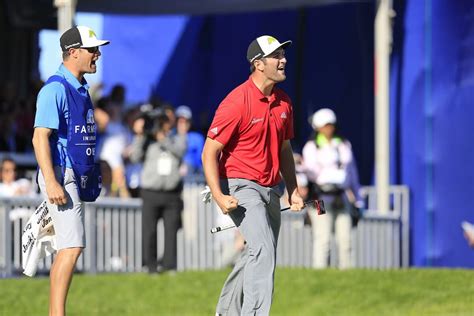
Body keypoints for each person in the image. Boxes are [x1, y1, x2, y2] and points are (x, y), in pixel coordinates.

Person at [202, 35, 304, 316]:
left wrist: (292, 189)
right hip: (241, 186)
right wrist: (219, 195)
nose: (283, 60)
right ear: (258, 64)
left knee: (257, 252)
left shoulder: (284, 102)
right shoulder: (236, 102)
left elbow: (285, 149)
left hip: (271, 189)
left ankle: (226, 312)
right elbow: (209, 152)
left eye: (283, 55)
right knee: (263, 251)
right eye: (276, 56)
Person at [32, 25, 109, 316]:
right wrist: (51, 182)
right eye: (92, 50)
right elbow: (40, 137)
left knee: (70, 245)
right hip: (61, 173)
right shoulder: (55, 88)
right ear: (73, 52)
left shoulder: (80, 89)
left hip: (74, 173)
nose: (97, 55)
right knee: (73, 245)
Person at [302, 108, 363, 269]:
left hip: (341, 198)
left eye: (330, 125)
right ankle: (320, 273)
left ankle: (347, 274)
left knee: (345, 240)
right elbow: (311, 173)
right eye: (324, 125)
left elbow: (352, 174)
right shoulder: (311, 147)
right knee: (323, 238)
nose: (328, 129)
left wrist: (358, 200)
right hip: (319, 200)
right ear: (318, 127)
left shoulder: (343, 145)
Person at [129, 108, 187, 274]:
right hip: (150, 191)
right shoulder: (147, 141)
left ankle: (169, 265)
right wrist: (140, 135)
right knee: (149, 231)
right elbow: (134, 157)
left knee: (171, 230)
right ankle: (150, 265)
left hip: (172, 192)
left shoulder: (176, 138)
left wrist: (163, 139)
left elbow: (181, 151)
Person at [175, 105, 205, 176]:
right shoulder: (170, 137)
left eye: (186, 122)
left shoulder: (198, 138)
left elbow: (200, 161)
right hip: (173, 176)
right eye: (181, 122)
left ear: (190, 123)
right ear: (176, 123)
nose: (183, 125)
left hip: (193, 177)